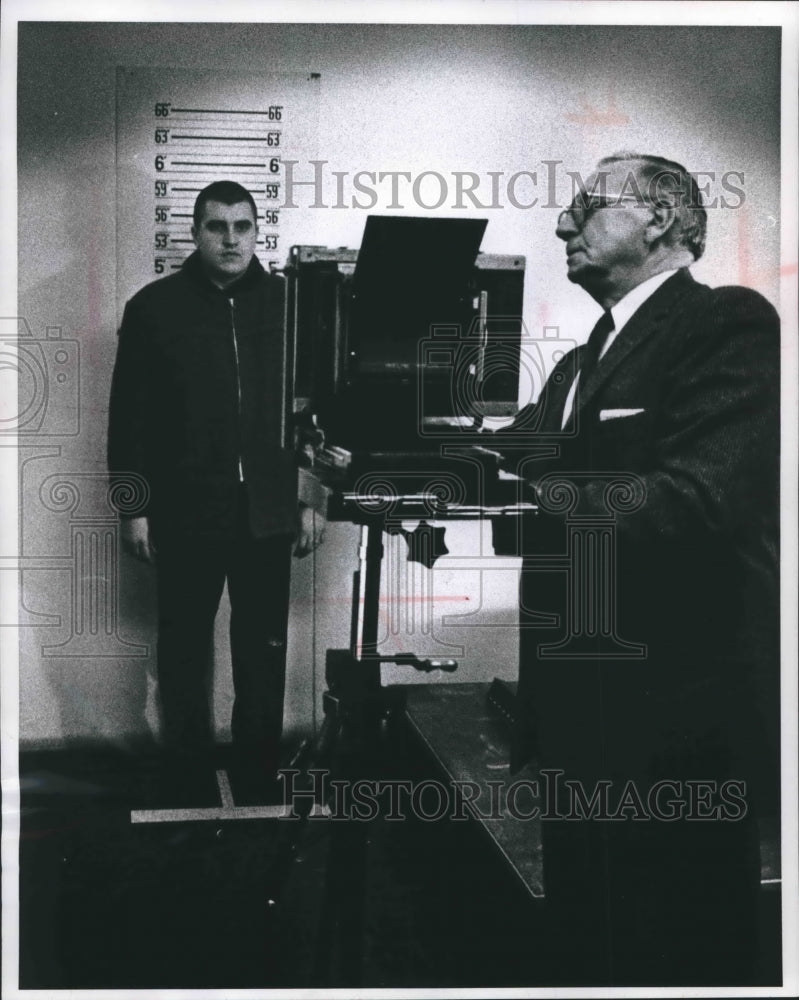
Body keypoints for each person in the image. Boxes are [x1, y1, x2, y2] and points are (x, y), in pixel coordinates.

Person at [506, 153, 780, 985]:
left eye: (585, 207)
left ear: (658, 220)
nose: (562, 223)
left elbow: (692, 499)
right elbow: (506, 458)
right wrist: (375, 458)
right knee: (589, 932)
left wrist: (538, 495)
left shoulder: (725, 324)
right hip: (577, 707)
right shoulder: (584, 359)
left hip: (672, 717)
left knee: (680, 935)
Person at [108, 180, 323, 805]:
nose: (230, 239)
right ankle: (187, 780)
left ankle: (258, 778)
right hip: (183, 512)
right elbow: (129, 418)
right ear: (195, 233)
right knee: (182, 653)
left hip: (268, 510)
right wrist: (134, 507)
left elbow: (315, 411)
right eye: (215, 227)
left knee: (262, 653)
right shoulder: (153, 308)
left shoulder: (291, 304)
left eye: (242, 227)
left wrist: (312, 497)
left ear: (258, 232)